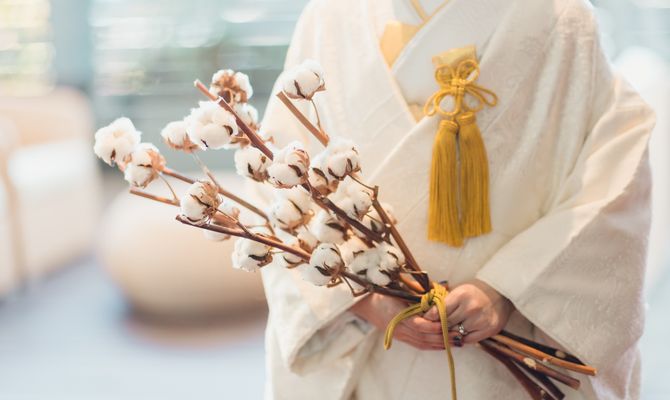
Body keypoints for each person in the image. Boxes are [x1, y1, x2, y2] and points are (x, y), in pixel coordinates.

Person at [258, 0, 655, 399]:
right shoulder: (331, 17)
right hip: (374, 351)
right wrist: (366, 301)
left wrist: (505, 288)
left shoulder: (561, 19)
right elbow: (282, 182)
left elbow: (611, 171)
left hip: (506, 356)